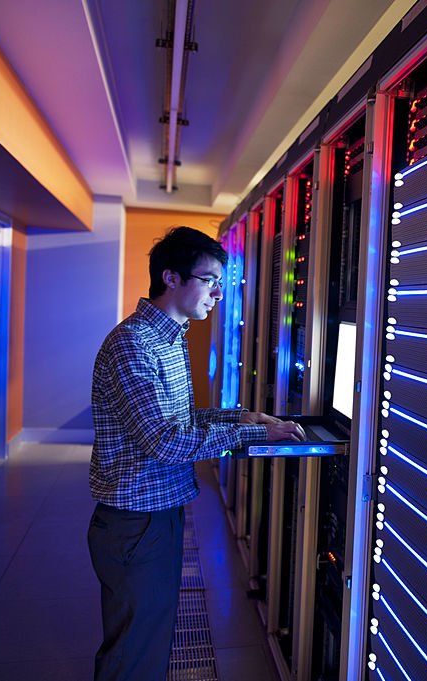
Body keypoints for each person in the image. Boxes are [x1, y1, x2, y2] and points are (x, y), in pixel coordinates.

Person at [87, 226, 304, 681]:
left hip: (156, 511)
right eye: (209, 281)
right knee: (134, 651)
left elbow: (179, 422)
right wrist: (252, 439)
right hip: (135, 521)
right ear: (171, 278)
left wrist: (242, 419)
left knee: (149, 640)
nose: (219, 294)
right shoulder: (133, 345)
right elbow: (164, 441)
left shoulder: (170, 337)